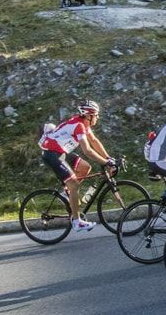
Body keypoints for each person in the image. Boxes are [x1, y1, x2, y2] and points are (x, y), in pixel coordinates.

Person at [38, 100, 117, 233]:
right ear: (88, 115)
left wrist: (108, 158)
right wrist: (105, 162)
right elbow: (87, 150)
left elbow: (94, 141)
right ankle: (76, 222)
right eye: (96, 115)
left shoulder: (84, 125)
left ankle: (67, 194)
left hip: (61, 151)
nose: (97, 117)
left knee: (85, 167)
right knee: (74, 184)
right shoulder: (79, 126)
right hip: (51, 153)